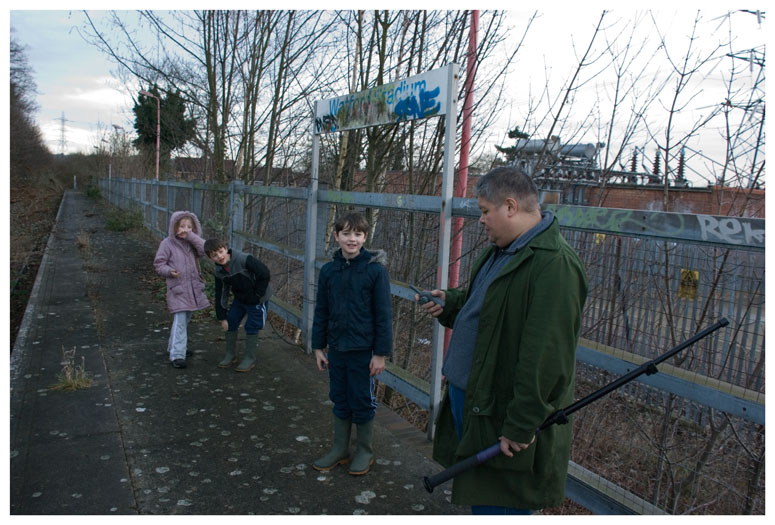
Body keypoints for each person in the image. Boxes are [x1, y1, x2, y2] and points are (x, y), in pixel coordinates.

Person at [417, 166, 588, 514]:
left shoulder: (554, 265)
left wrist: (521, 424)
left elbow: (546, 360)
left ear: (510, 206)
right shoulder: (502, 250)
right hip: (475, 400)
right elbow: (487, 306)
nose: (481, 220)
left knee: (500, 504)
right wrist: (452, 303)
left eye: (485, 211)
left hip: (502, 413)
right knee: (483, 498)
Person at [311, 212, 393, 476]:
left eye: (357, 234)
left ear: (365, 237)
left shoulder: (375, 271)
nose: (352, 239)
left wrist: (380, 353)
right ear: (336, 236)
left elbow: (383, 315)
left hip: (363, 351)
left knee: (361, 399)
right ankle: (340, 449)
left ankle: (365, 450)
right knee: (339, 397)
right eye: (346, 233)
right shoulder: (329, 271)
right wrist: (318, 347)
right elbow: (321, 310)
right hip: (337, 349)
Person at [204, 238, 272, 372]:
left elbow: (264, 273)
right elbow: (221, 293)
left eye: (221, 252)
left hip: (257, 298)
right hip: (240, 298)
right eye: (214, 255)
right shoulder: (219, 271)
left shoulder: (243, 259)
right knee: (231, 321)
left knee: (252, 325)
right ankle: (230, 355)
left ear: (226, 248)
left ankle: (249, 358)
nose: (219, 257)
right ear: (210, 258)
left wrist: (257, 295)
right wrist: (222, 316)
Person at [153, 211, 210, 369]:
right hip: (177, 289)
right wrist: (169, 271)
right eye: (182, 226)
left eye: (189, 227)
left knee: (185, 319)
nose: (185, 229)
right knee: (180, 321)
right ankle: (177, 355)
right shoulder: (167, 244)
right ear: (174, 227)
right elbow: (159, 264)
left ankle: (174, 347)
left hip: (192, 289)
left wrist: (191, 236)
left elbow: (204, 250)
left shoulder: (192, 243)